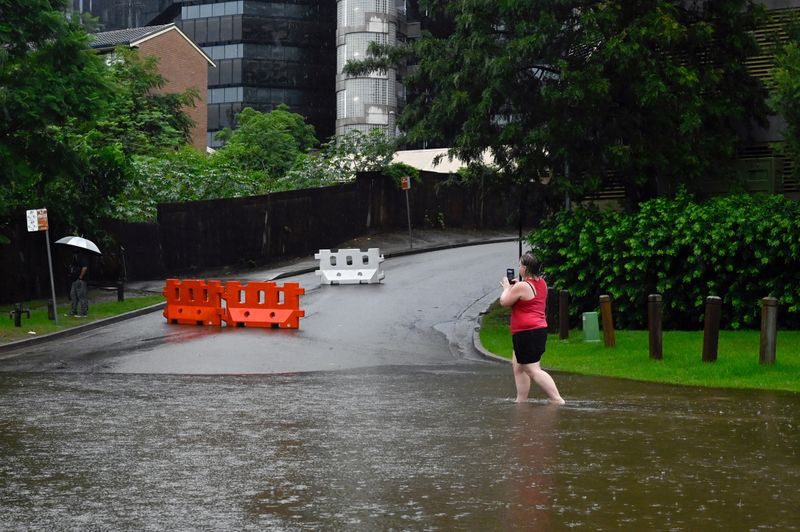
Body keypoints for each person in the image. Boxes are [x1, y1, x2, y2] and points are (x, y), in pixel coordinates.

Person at [500, 252, 565, 404]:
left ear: (525, 268)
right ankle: (521, 399)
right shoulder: (541, 283)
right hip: (537, 331)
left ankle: (557, 399)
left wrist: (506, 287)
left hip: (527, 333)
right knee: (518, 366)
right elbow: (526, 300)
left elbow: (504, 301)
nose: (519, 268)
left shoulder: (523, 286)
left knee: (532, 369)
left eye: (520, 265)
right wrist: (514, 287)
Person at [68, 251, 90, 317]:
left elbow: (85, 268)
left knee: (81, 296)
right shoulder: (74, 259)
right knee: (73, 295)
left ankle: (84, 312)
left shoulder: (83, 258)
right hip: (74, 279)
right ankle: (73, 311)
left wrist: (80, 277)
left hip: (81, 280)